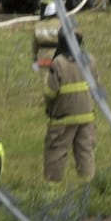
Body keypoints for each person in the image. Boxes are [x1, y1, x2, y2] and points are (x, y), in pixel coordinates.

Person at [40, 32, 96, 181]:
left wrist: (49, 108)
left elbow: (51, 92)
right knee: (85, 151)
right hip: (86, 115)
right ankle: (88, 184)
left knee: (56, 151)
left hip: (63, 117)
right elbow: (95, 86)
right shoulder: (89, 60)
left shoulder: (58, 63)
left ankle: (52, 186)